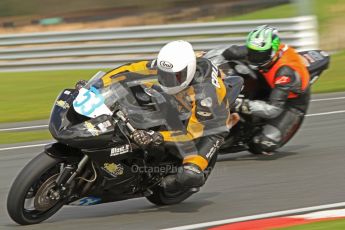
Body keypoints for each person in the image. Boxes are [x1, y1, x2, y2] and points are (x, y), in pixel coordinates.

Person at [97, 40, 240, 190]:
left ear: (189, 71)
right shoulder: (171, 66)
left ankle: (175, 181)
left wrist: (156, 137)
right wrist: (99, 84)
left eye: (174, 77)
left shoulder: (206, 96)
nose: (167, 80)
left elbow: (191, 134)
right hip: (181, 98)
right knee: (134, 91)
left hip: (208, 126)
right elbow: (130, 69)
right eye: (164, 75)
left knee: (190, 175)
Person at [221, 25, 310, 154]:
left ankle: (248, 134)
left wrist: (239, 104)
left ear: (272, 51)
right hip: (268, 80)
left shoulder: (285, 72)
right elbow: (229, 52)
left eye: (260, 55)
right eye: (251, 51)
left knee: (262, 144)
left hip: (291, 101)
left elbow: (273, 109)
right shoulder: (260, 49)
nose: (253, 57)